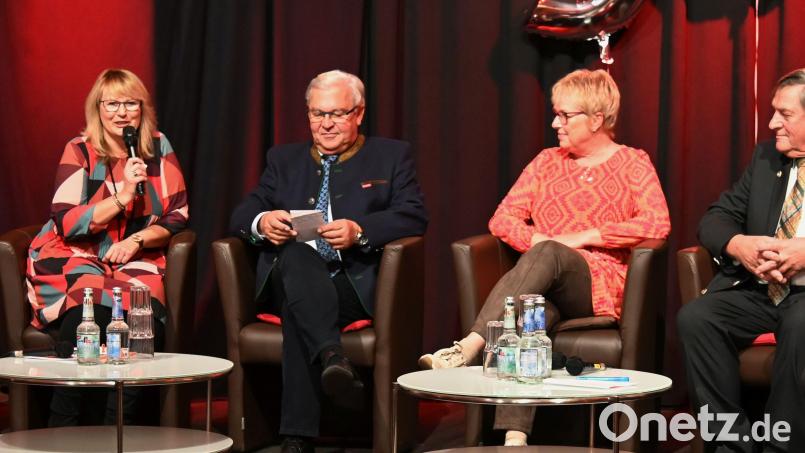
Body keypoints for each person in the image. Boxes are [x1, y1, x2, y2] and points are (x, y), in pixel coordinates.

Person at [419, 69, 671, 446]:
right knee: (529, 316)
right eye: (556, 113)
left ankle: (470, 346)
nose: (556, 123)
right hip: (543, 283)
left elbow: (657, 222)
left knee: (550, 253)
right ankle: (515, 438)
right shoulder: (546, 162)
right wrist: (539, 239)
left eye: (566, 115)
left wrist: (585, 236)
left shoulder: (632, 163)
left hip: (597, 284)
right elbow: (502, 218)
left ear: (597, 119)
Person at [229, 69, 427, 453]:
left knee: (297, 306)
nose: (327, 124)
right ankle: (332, 356)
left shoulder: (391, 155)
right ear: (307, 114)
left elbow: (414, 214)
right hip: (294, 273)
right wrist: (262, 222)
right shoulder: (283, 158)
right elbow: (243, 212)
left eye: (337, 114)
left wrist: (360, 231)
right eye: (318, 114)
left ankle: (296, 437)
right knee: (295, 258)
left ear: (359, 113)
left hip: (352, 284)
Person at [25, 68, 189, 426]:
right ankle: (63, 426)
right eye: (112, 103)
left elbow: (177, 216)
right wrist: (124, 196)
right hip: (76, 251)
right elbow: (67, 221)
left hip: (134, 253)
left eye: (130, 103)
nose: (122, 112)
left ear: (142, 108)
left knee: (140, 309)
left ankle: (120, 428)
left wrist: (136, 239)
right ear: (97, 108)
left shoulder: (157, 146)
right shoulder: (80, 150)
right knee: (90, 303)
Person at [678, 69, 805, 452]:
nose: (772, 123)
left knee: (802, 324)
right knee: (697, 318)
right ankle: (731, 445)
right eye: (772, 112)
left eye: (785, 114)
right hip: (761, 289)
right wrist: (739, 244)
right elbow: (716, 217)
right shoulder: (767, 157)